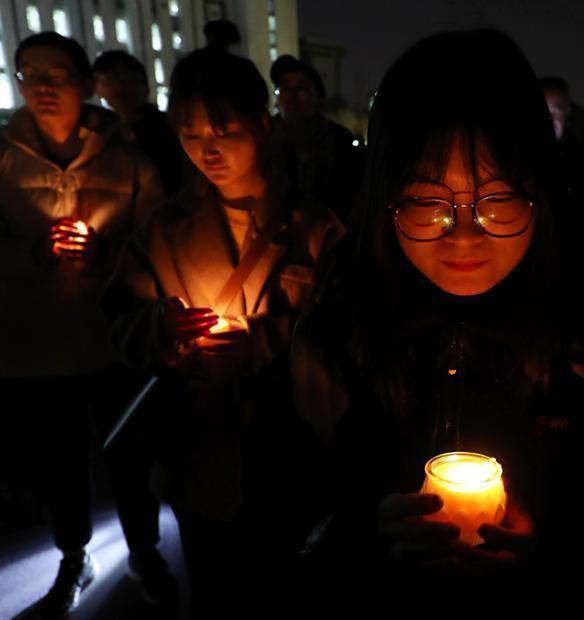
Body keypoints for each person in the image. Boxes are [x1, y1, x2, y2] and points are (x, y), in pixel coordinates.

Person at [287, 29, 584, 607]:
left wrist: (553, 552)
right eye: (425, 201)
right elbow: (280, 519)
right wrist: (365, 538)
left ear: (541, 193)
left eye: (497, 198)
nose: (464, 235)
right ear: (383, 201)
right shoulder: (334, 342)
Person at [100, 47, 342, 617]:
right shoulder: (164, 226)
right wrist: (163, 325)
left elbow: (348, 334)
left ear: (262, 124)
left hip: (291, 452)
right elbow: (120, 317)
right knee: (213, 588)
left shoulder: (315, 226)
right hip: (200, 451)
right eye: (187, 134)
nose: (206, 150)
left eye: (223, 130)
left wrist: (265, 342)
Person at [0, 32, 164, 617]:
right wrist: (28, 254)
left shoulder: (128, 158)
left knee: (132, 453)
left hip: (114, 341)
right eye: (28, 74)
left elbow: (156, 245)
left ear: (85, 84)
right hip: (34, 346)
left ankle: (146, 550)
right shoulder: (2, 157)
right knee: (58, 461)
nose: (42, 87)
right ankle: (74, 555)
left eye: (57, 75)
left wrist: (107, 258)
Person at [270, 54, 363, 224]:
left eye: (301, 88)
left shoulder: (339, 140)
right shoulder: (264, 140)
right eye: (284, 88)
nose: (291, 95)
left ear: (319, 99)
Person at [92, 50, 189, 197]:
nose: (119, 87)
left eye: (126, 79)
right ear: (96, 89)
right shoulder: (101, 132)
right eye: (109, 80)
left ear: (145, 86)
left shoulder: (170, 127)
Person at [539, 76, 584, 219]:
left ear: (567, 111)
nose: (550, 117)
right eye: (543, 109)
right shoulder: (511, 160)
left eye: (558, 109)